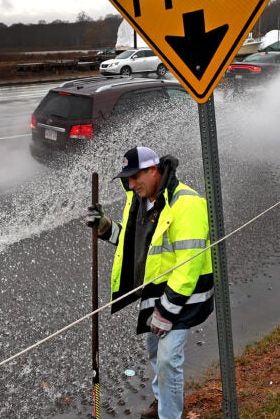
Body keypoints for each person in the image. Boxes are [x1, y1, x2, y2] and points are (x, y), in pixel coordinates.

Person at [85, 146, 214, 419]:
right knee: (155, 354)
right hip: (155, 294)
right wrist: (105, 227)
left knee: (168, 361)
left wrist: (167, 311)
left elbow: (188, 266)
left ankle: (169, 415)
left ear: (153, 170)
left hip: (183, 296)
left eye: (135, 177)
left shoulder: (187, 204)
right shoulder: (140, 201)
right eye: (127, 179)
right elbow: (134, 243)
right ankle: (161, 400)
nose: (130, 185)